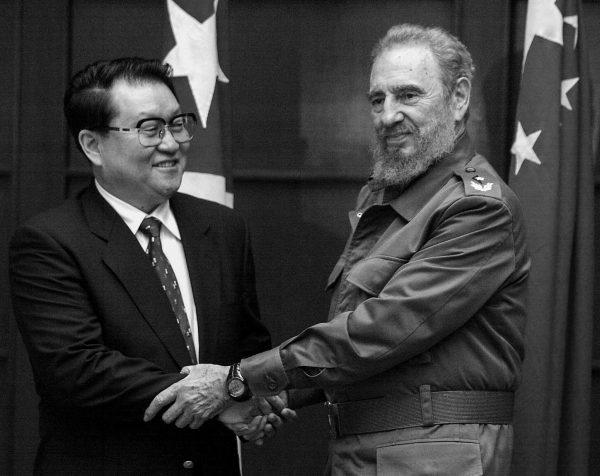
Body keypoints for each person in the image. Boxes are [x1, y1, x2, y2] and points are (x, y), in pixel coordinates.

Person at [144, 24, 530, 475]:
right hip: (369, 449)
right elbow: (362, 346)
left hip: (435, 456)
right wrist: (275, 393)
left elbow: (382, 331)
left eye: (408, 95)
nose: (388, 116)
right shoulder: (390, 199)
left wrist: (237, 381)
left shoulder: (477, 208)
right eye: (377, 99)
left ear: (459, 97)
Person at [9, 57, 281, 475]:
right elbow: (77, 370)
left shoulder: (223, 228)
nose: (171, 143)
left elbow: (248, 344)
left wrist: (254, 396)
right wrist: (219, 397)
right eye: (149, 129)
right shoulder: (50, 241)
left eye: (177, 124)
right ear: (92, 145)